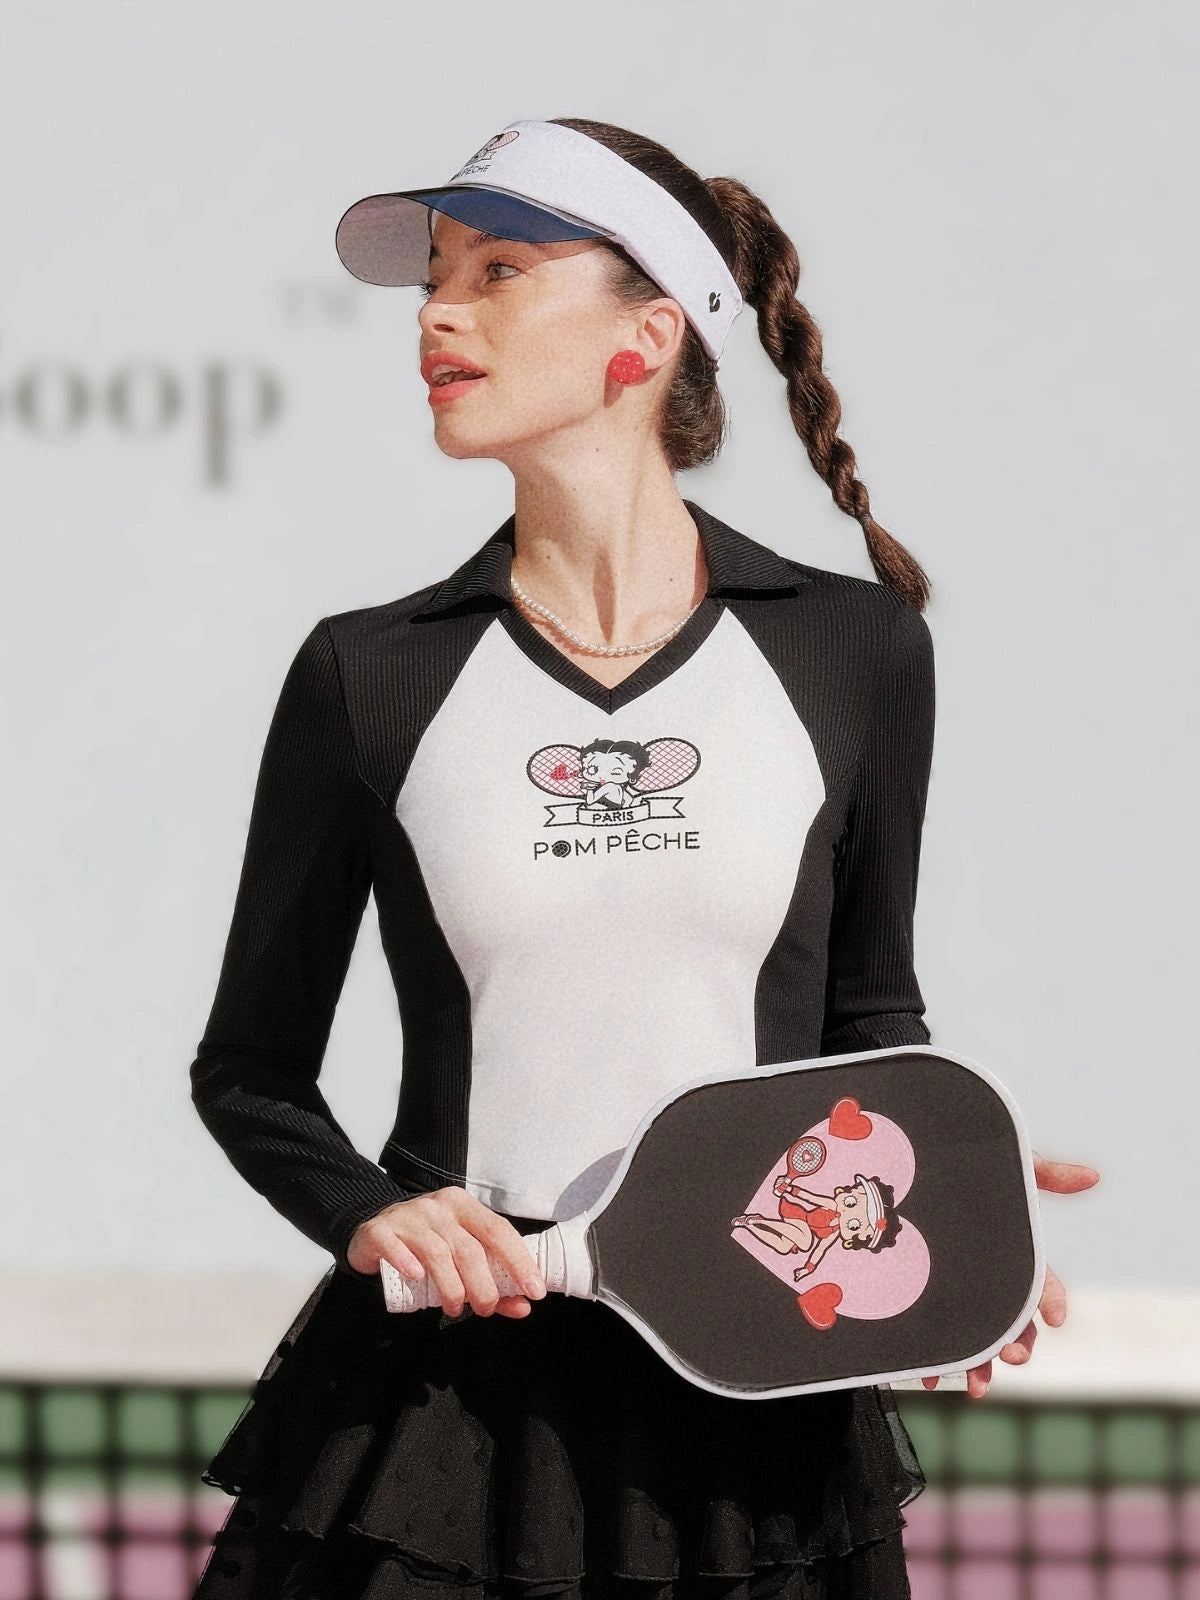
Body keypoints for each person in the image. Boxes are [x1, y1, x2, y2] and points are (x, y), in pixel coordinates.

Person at [188, 117, 1099, 1600]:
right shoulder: (367, 674)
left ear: (648, 332)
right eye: (433, 278)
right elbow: (249, 1068)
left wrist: (944, 1213)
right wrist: (370, 1213)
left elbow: (866, 1019)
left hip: (763, 1413)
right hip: (435, 1414)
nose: (436, 315)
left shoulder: (857, 650)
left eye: (497, 271)